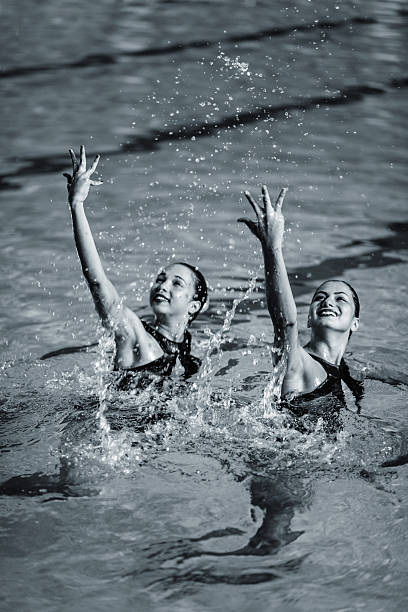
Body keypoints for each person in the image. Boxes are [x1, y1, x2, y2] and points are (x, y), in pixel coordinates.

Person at [63, 145, 207, 384]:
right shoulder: (137, 338)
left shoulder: (191, 360)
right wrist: (77, 204)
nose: (163, 286)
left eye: (176, 283)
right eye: (161, 279)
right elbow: (97, 281)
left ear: (194, 307)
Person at [238, 185, 363, 426]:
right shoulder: (300, 363)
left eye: (340, 299)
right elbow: (285, 322)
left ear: (355, 323)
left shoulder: (348, 369)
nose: (328, 301)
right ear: (309, 319)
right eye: (320, 297)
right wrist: (272, 248)